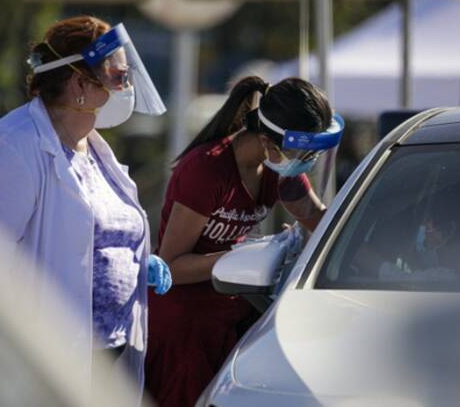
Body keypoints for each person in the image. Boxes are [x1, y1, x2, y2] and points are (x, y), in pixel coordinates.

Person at [0, 16, 171, 404]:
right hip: (48, 357)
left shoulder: (93, 148)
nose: (126, 88)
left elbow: (91, 234)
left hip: (110, 350)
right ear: (78, 85)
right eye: (118, 77)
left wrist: (136, 261)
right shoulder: (10, 147)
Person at [144, 76, 344, 406]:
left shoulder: (281, 165)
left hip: (231, 316)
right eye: (302, 152)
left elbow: (318, 221)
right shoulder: (207, 169)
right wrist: (249, 255)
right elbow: (172, 266)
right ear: (267, 140)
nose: (306, 161)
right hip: (183, 328)